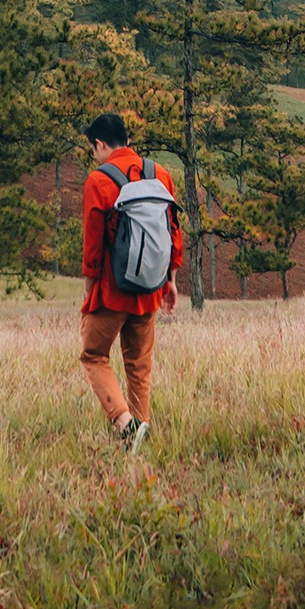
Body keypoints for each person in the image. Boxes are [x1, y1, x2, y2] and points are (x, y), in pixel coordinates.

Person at [79, 111, 182, 455]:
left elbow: (93, 244)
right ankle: (141, 430)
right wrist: (170, 280)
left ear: (99, 144)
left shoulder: (99, 180)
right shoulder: (160, 174)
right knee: (138, 365)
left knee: (93, 355)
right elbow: (172, 233)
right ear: (128, 139)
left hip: (113, 289)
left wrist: (89, 286)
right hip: (151, 287)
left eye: (93, 149)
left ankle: (125, 424)